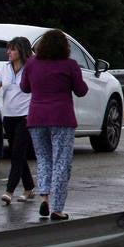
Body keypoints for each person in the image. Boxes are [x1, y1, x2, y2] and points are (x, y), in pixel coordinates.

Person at [21, 29, 88, 221]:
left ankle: (45, 197)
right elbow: (81, 91)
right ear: (64, 47)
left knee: (43, 158)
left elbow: (25, 88)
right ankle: (57, 209)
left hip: (36, 118)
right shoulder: (70, 65)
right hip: (62, 118)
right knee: (61, 161)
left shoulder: (32, 64)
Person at [0, 36, 36, 205]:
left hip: (26, 116)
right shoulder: (4, 68)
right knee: (19, 154)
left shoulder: (31, 68)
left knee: (16, 154)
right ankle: (29, 188)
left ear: (22, 52)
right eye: (8, 49)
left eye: (13, 49)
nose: (8, 52)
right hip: (9, 116)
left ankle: (9, 191)